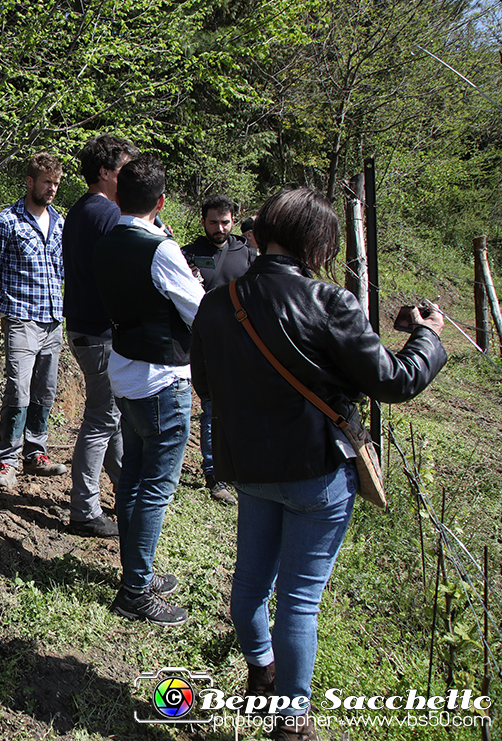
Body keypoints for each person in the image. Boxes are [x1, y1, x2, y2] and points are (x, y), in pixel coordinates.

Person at [191, 189, 446, 740]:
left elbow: (205, 386)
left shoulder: (218, 301)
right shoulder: (331, 302)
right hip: (317, 472)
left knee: (251, 583)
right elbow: (395, 381)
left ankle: (261, 673)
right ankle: (291, 723)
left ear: (264, 231)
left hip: (251, 470)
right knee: (299, 601)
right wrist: (427, 336)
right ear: (317, 243)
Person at [92, 155, 203, 626]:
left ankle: (138, 572)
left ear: (117, 196)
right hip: (162, 379)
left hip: (126, 372)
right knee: (153, 489)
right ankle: (135, 589)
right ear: (161, 201)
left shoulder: (106, 241)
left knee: (134, 480)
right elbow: (200, 312)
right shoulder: (161, 250)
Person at [0, 152, 68, 490]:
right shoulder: (7, 221)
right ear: (30, 182)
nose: (52, 189)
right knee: (18, 388)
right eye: (47, 182)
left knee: (45, 388)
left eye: (56, 183)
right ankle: (7, 461)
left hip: (53, 318)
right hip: (21, 317)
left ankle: (36, 453)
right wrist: (5, 310)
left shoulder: (60, 223)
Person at [62, 135, 138, 539]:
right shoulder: (107, 215)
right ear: (106, 172)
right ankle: (84, 510)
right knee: (103, 418)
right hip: (100, 332)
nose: (130, 178)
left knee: (113, 416)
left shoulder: (78, 211)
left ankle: (126, 490)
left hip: (83, 328)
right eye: (124, 169)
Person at [180, 194, 257, 506]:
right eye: (213, 222)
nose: (219, 228)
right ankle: (214, 473)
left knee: (242, 407)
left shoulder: (248, 254)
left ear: (234, 221)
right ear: (203, 221)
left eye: (225, 222)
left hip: (242, 343)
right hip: (204, 343)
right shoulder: (188, 253)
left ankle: (239, 466)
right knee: (211, 408)